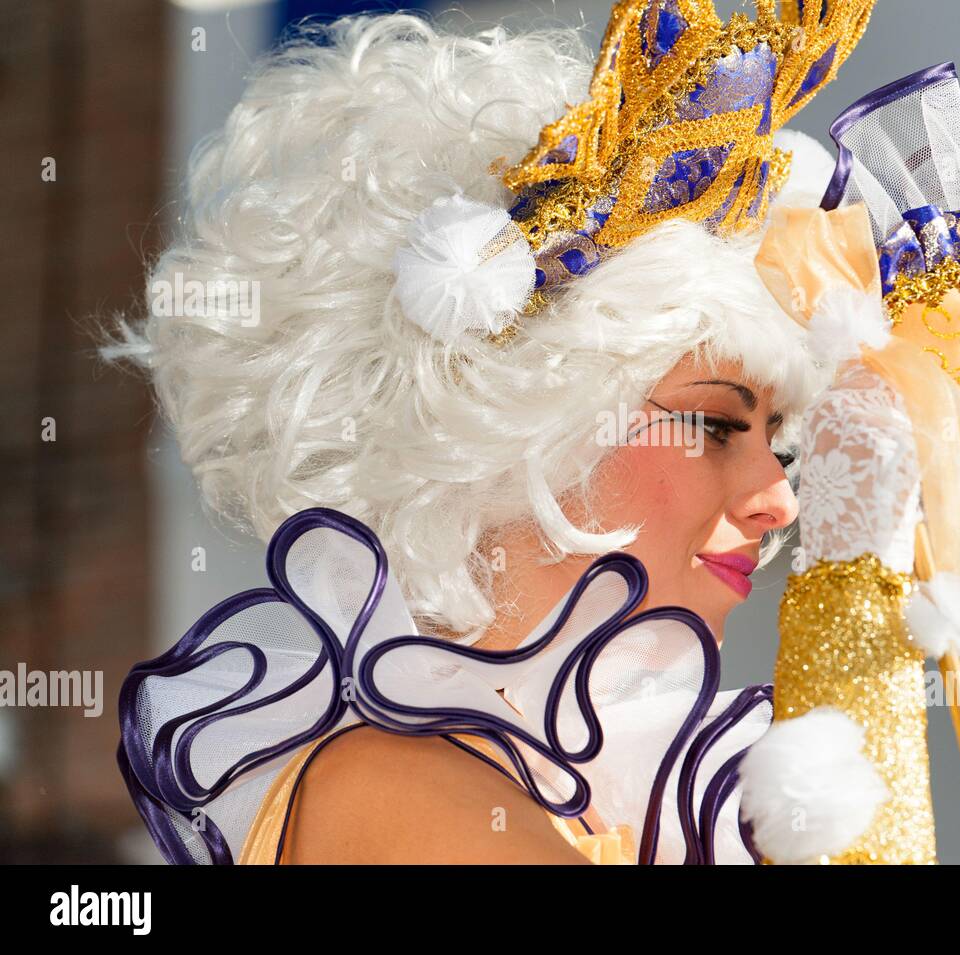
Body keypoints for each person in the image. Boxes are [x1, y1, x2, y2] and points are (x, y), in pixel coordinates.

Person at [109, 1, 885, 865]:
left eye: (777, 442)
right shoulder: (390, 786)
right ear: (529, 417)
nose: (779, 499)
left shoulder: (612, 797)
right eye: (712, 426)